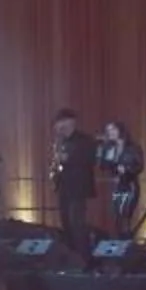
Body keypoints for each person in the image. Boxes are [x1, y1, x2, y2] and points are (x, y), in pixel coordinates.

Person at [49, 109, 97, 258]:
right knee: (66, 223)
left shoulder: (85, 140)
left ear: (71, 122)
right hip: (64, 187)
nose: (58, 127)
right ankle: (71, 257)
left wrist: (66, 158)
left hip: (78, 187)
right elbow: (58, 162)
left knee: (77, 223)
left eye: (61, 122)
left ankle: (84, 258)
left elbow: (90, 160)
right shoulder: (61, 142)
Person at [98, 120, 143, 234]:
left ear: (120, 130)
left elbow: (139, 166)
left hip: (129, 185)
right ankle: (119, 243)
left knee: (125, 215)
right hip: (115, 185)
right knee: (117, 216)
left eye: (113, 129)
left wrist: (127, 169)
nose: (110, 133)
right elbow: (103, 166)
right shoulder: (109, 148)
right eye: (108, 131)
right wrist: (101, 152)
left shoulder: (133, 147)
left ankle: (127, 244)